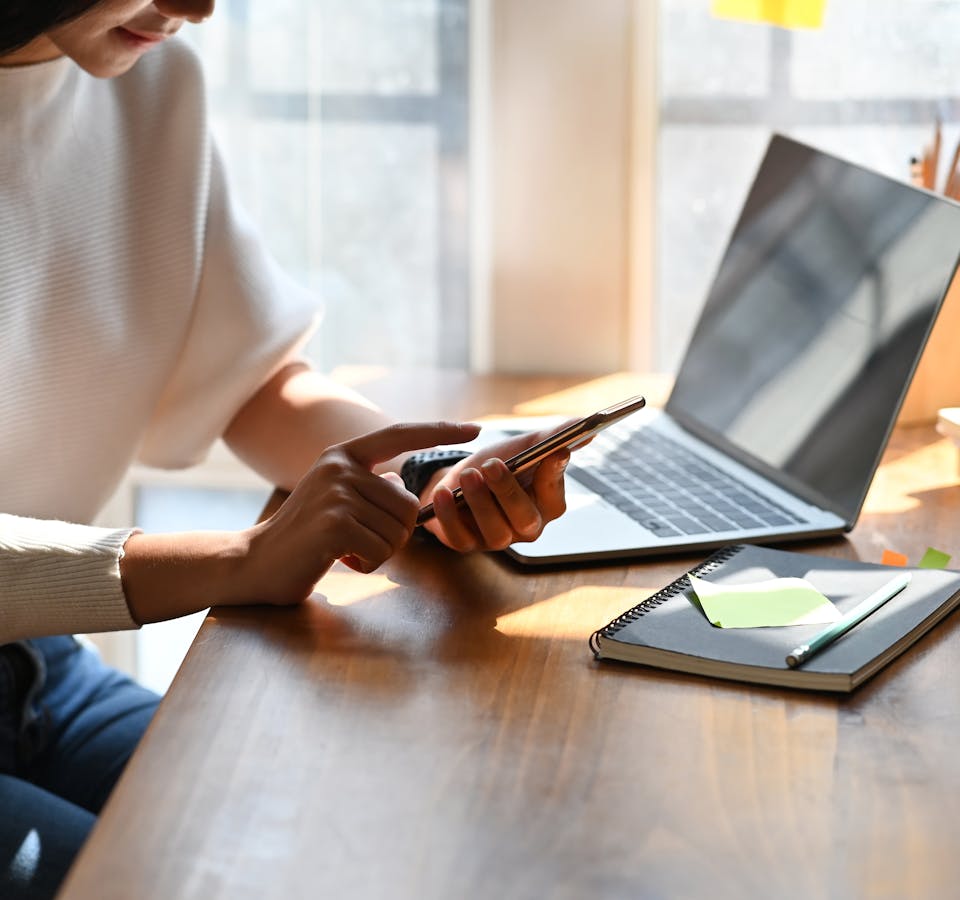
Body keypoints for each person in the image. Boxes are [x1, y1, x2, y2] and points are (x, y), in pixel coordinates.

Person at [0, 2, 571, 896]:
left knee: (320, 843)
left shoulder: (147, 84)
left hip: (32, 665)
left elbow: (253, 380)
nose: (199, 5)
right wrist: (241, 556)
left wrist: (425, 477)